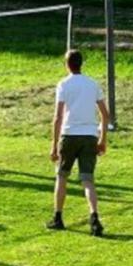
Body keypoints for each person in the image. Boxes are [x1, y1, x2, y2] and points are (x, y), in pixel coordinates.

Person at [47, 50, 110, 236]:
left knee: (62, 176)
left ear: (67, 64)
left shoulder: (63, 85)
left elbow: (58, 117)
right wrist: (102, 139)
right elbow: (105, 115)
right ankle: (94, 217)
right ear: (81, 64)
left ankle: (58, 217)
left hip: (69, 135)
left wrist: (54, 145)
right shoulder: (92, 84)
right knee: (88, 180)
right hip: (89, 135)